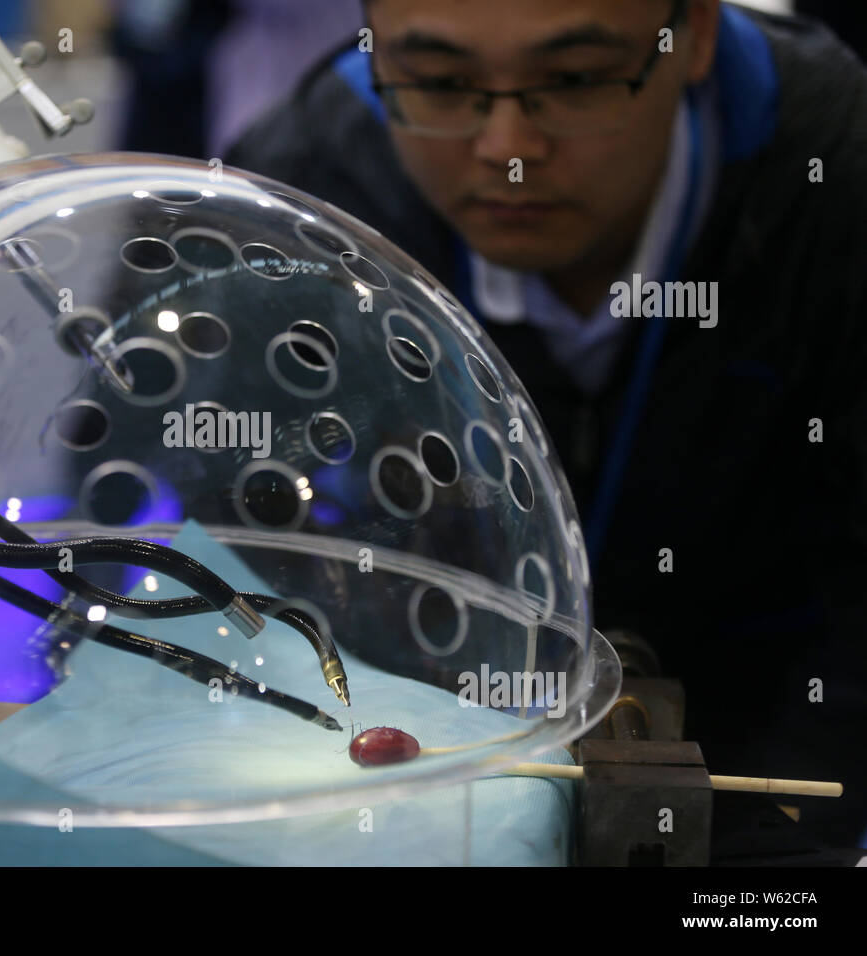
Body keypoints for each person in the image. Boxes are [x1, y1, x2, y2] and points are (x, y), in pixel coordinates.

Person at [226, 0, 867, 849]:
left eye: (573, 80)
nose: (507, 152)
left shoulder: (836, 177)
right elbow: (239, 554)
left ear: (696, 34)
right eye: (443, 84)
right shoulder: (296, 197)